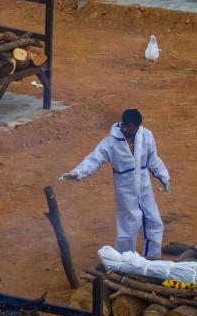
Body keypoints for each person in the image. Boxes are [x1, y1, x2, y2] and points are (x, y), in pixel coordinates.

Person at [60, 109, 170, 258]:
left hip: (145, 188)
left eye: (132, 128)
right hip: (126, 191)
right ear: (122, 124)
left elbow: (153, 159)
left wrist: (164, 177)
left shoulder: (146, 136)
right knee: (128, 227)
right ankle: (124, 262)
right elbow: (94, 160)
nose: (128, 131)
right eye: (126, 127)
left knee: (154, 222)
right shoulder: (110, 143)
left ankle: (152, 259)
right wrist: (77, 173)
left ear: (138, 127)